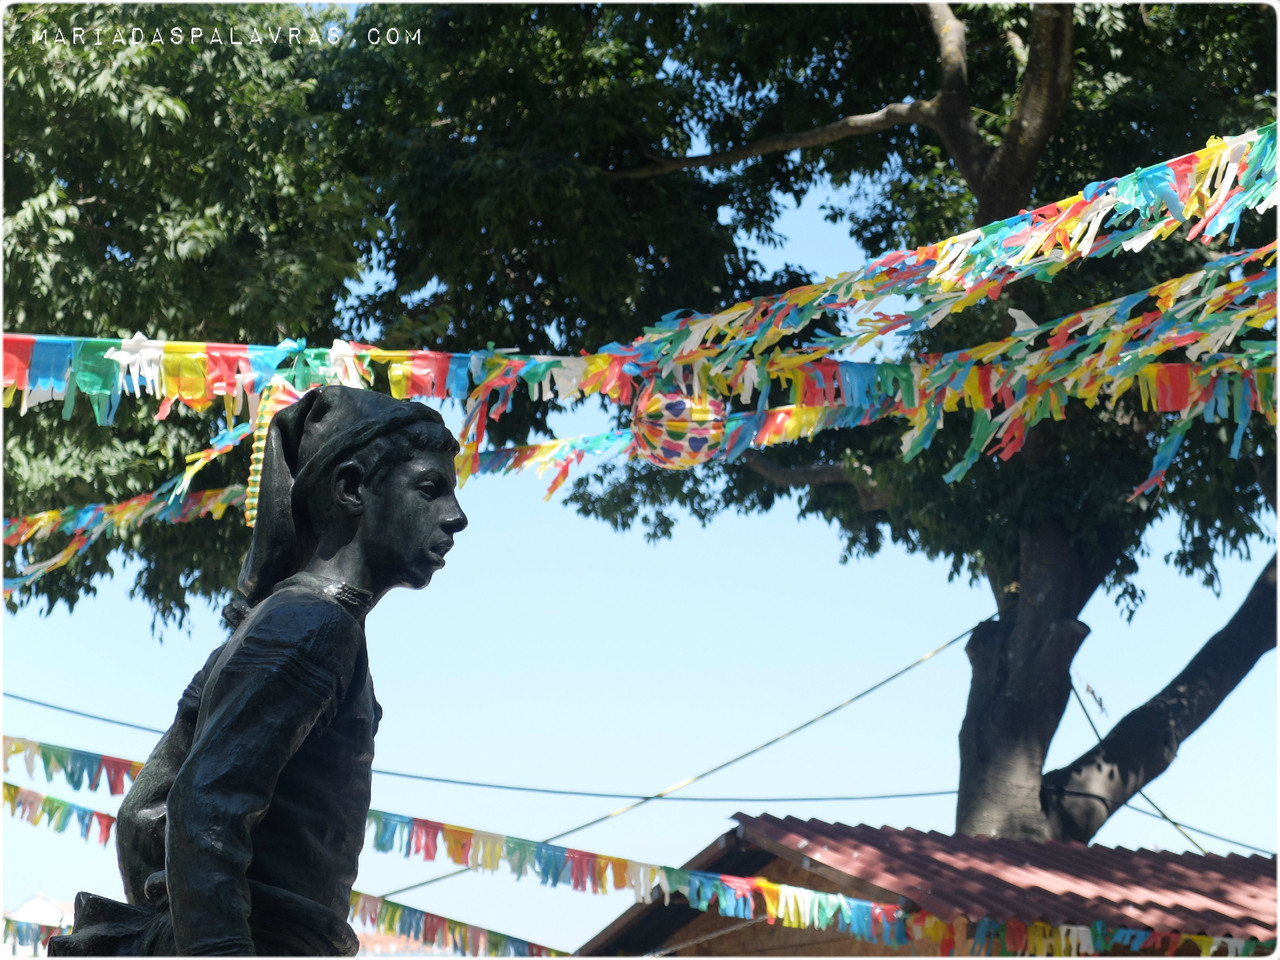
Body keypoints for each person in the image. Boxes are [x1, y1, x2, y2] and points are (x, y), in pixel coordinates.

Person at [49, 386, 468, 956]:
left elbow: (143, 812)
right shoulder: (316, 626)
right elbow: (202, 809)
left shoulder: (287, 621)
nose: (456, 516)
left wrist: (168, 925)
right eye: (430, 488)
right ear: (351, 489)